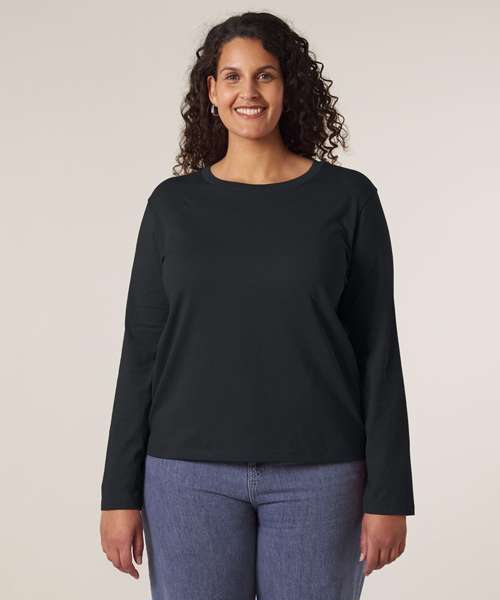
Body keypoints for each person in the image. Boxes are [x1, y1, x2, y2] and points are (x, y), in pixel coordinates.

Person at [99, 11, 415, 600]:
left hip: (322, 478)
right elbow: (141, 354)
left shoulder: (347, 199)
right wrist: (118, 493)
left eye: (265, 75)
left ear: (288, 86)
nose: (249, 91)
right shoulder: (172, 207)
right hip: (186, 477)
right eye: (233, 76)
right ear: (211, 90)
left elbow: (378, 350)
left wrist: (389, 496)